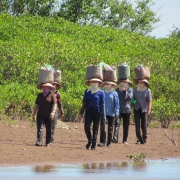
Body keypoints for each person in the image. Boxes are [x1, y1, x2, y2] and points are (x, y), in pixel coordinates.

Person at [78, 78, 106, 150]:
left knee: (95, 129)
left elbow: (103, 105)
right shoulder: (87, 92)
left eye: (95, 81)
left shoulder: (101, 92)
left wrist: (104, 116)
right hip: (88, 111)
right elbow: (84, 103)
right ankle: (90, 140)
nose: (94, 83)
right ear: (90, 82)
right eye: (92, 81)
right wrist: (81, 113)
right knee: (86, 127)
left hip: (98, 112)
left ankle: (94, 145)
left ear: (98, 83)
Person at [32, 83, 57, 147]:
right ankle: (39, 141)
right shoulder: (39, 95)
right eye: (43, 87)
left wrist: (52, 112)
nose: (45, 88)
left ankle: (48, 142)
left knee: (49, 129)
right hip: (40, 114)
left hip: (49, 115)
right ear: (42, 88)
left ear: (49, 88)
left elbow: (54, 104)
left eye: (46, 87)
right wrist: (34, 114)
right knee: (40, 128)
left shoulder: (52, 95)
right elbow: (36, 105)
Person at [98, 81, 119, 148]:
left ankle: (109, 142)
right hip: (103, 113)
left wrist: (117, 113)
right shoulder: (102, 92)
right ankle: (102, 141)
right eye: (106, 84)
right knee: (102, 127)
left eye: (108, 84)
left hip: (111, 113)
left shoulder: (114, 93)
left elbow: (117, 104)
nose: (107, 85)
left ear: (111, 85)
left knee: (110, 128)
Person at [112, 79, 133, 144]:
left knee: (126, 126)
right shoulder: (117, 90)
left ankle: (125, 140)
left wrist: (124, 92)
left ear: (127, 83)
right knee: (117, 124)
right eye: (121, 82)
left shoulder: (130, 90)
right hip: (119, 110)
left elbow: (130, 98)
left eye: (124, 82)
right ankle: (115, 138)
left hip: (127, 110)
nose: (123, 83)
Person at [133, 79, 152, 144]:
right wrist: (132, 102)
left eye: (141, 82)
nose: (140, 83)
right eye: (139, 82)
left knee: (144, 125)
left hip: (144, 109)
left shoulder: (147, 91)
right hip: (136, 109)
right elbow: (133, 99)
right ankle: (139, 139)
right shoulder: (135, 90)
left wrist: (149, 109)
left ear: (145, 83)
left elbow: (149, 100)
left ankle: (144, 138)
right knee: (137, 125)